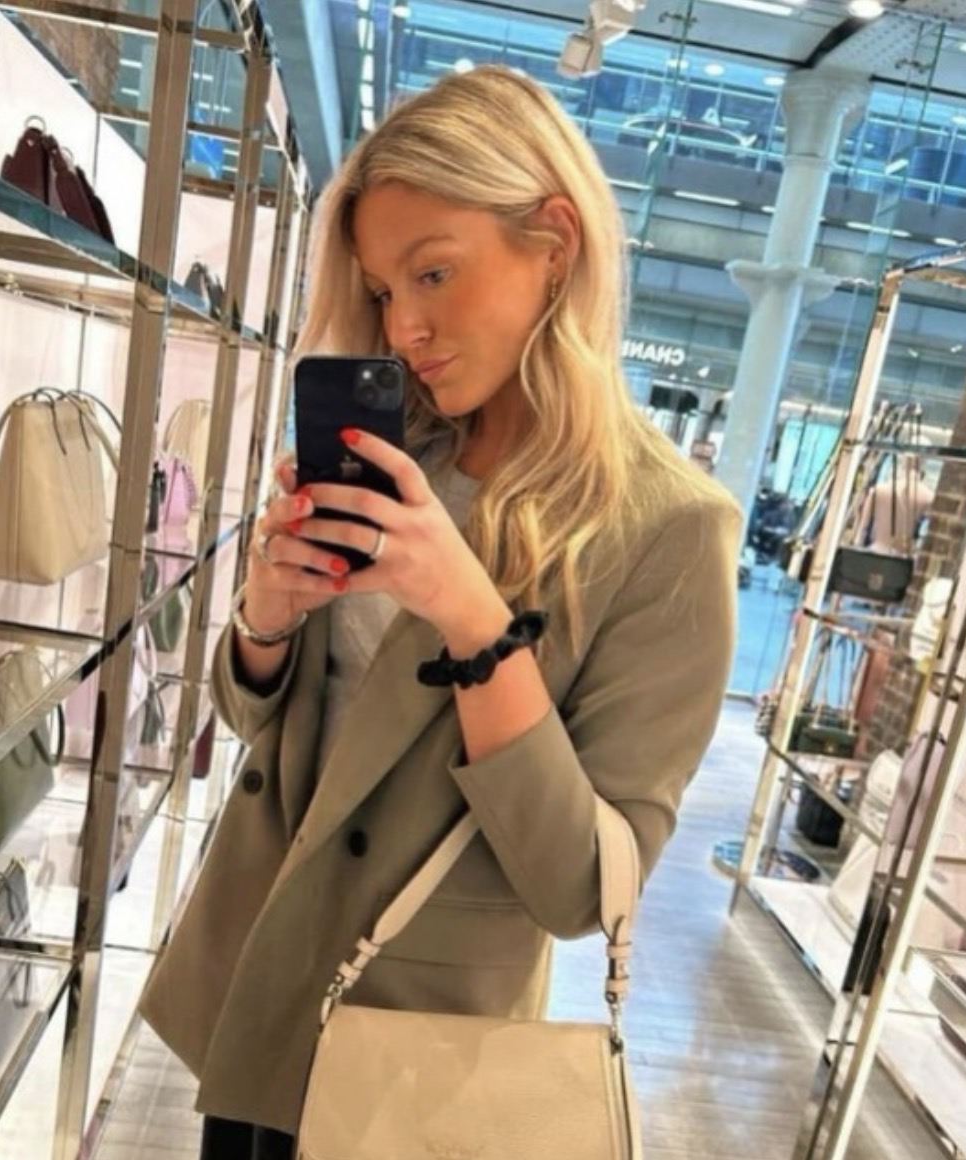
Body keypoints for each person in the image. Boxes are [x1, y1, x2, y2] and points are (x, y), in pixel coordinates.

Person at [140, 64, 742, 1159]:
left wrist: (474, 619)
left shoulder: (667, 530)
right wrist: (267, 617)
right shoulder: (393, 450)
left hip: (413, 1054)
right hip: (259, 986)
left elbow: (584, 888)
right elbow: (254, 720)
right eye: (383, 289)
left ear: (553, 241)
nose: (406, 325)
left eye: (433, 272)